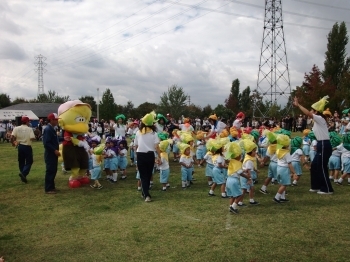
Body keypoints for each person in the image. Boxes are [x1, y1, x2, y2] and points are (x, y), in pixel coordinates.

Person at [293, 96, 334, 194]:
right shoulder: (317, 120)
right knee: (315, 165)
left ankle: (327, 189)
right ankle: (316, 186)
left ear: (316, 112)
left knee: (321, 166)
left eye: (312, 110)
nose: (311, 111)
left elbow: (307, 113)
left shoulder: (319, 118)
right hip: (321, 143)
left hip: (324, 143)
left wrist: (298, 105)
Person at [134, 111, 161, 202]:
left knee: (144, 176)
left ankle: (145, 192)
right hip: (150, 155)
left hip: (140, 155)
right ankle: (146, 195)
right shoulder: (154, 133)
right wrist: (159, 156)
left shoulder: (138, 132)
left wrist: (136, 156)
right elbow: (156, 146)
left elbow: (136, 146)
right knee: (148, 175)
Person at [11, 116, 35, 183]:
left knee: (21, 161)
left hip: (20, 146)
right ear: (27, 122)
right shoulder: (29, 129)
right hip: (27, 146)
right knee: (29, 161)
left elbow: (12, 136)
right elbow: (32, 138)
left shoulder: (16, 128)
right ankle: (24, 173)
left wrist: (13, 143)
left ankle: (23, 174)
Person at [43, 113, 61, 194]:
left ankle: (52, 186)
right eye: (55, 120)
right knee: (50, 170)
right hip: (50, 153)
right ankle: (48, 188)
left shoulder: (52, 128)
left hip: (53, 153)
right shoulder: (48, 129)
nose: (57, 121)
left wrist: (64, 138)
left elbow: (54, 140)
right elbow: (46, 143)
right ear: (51, 120)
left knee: (53, 170)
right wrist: (54, 150)